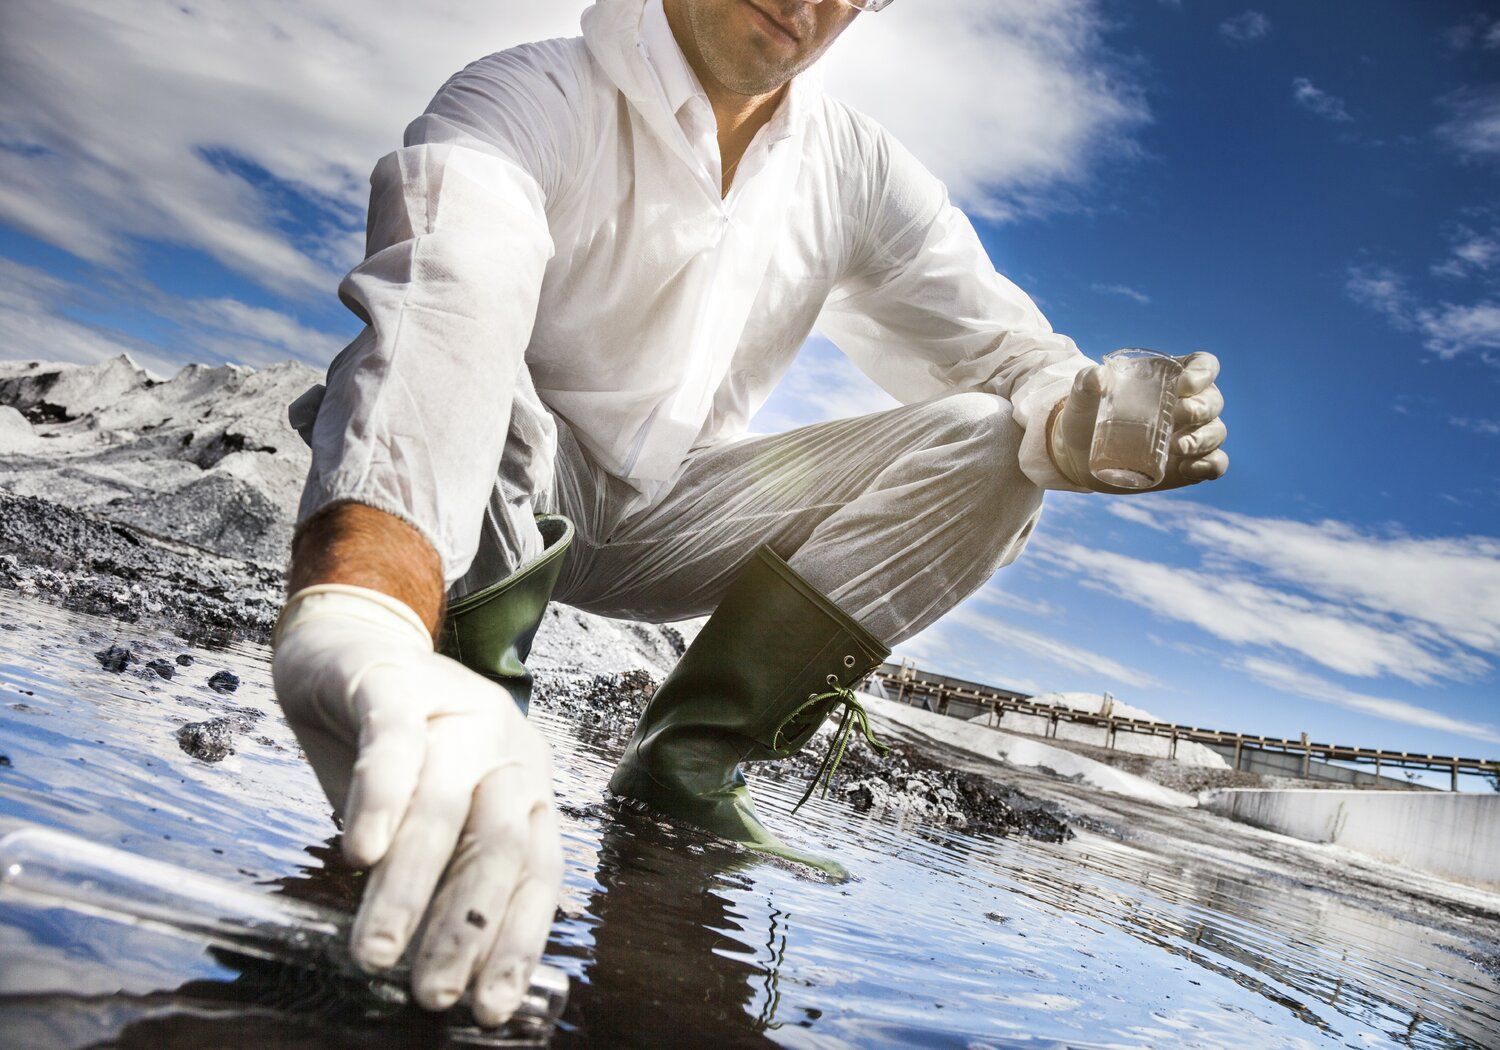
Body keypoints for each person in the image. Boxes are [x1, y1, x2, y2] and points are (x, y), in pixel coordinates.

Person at [270, 0, 1228, 1028]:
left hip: (681, 513)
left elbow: (1002, 349)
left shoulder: (852, 168)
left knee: (997, 442)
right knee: (492, 372)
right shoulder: (530, 95)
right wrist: (363, 609)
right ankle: (460, 703)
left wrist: (1075, 414)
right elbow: (449, 295)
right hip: (499, 493)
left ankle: (689, 765)